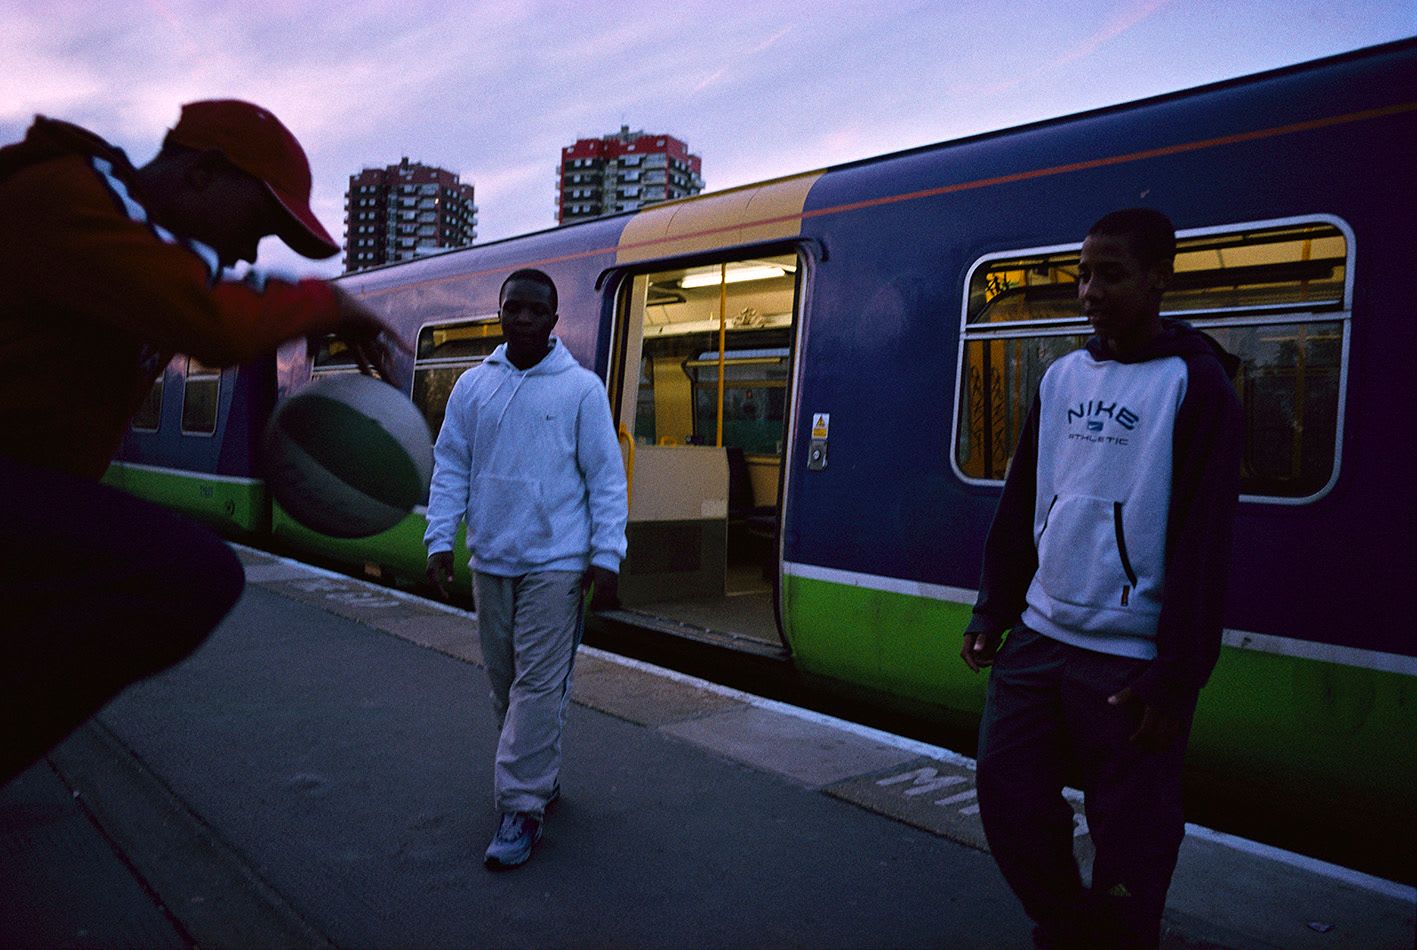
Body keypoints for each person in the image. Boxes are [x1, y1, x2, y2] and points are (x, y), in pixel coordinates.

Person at [0, 99, 405, 786]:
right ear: (204, 175)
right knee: (187, 574)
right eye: (256, 223)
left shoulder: (127, 246)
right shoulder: (73, 192)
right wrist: (327, 302)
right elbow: (213, 319)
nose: (249, 251)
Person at [960, 208, 1242, 948]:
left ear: (1157, 280)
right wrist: (993, 607)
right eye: (1082, 273)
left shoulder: (1198, 383)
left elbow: (1204, 541)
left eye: (1109, 273)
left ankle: (1117, 936)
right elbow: (1024, 497)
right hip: (1040, 635)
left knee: (1132, 829)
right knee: (1006, 790)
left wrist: (1177, 678)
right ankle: (1065, 922)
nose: (1088, 290)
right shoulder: (1060, 376)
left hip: (1129, 656)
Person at [424, 268, 627, 870]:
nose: (524, 320)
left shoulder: (582, 390)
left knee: (537, 686)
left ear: (555, 320)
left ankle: (520, 808)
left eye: (537, 312)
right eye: (514, 309)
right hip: (492, 559)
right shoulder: (471, 389)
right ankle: (538, 778)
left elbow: (606, 480)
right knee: (504, 684)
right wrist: (440, 540)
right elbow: (451, 466)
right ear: (501, 313)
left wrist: (605, 555)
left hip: (557, 564)